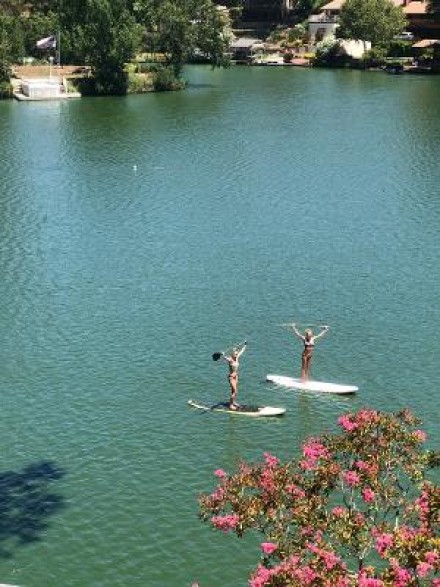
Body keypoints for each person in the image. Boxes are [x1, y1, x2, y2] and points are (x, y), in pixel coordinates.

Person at [222, 341, 247, 410]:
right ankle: (230, 405)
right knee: (235, 391)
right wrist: (222, 354)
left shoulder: (237, 358)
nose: (236, 355)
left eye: (236, 354)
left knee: (234, 391)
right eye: (235, 354)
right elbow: (224, 357)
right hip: (231, 377)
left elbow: (242, 351)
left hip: (236, 376)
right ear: (232, 355)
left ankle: (233, 402)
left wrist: (245, 345)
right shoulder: (230, 360)